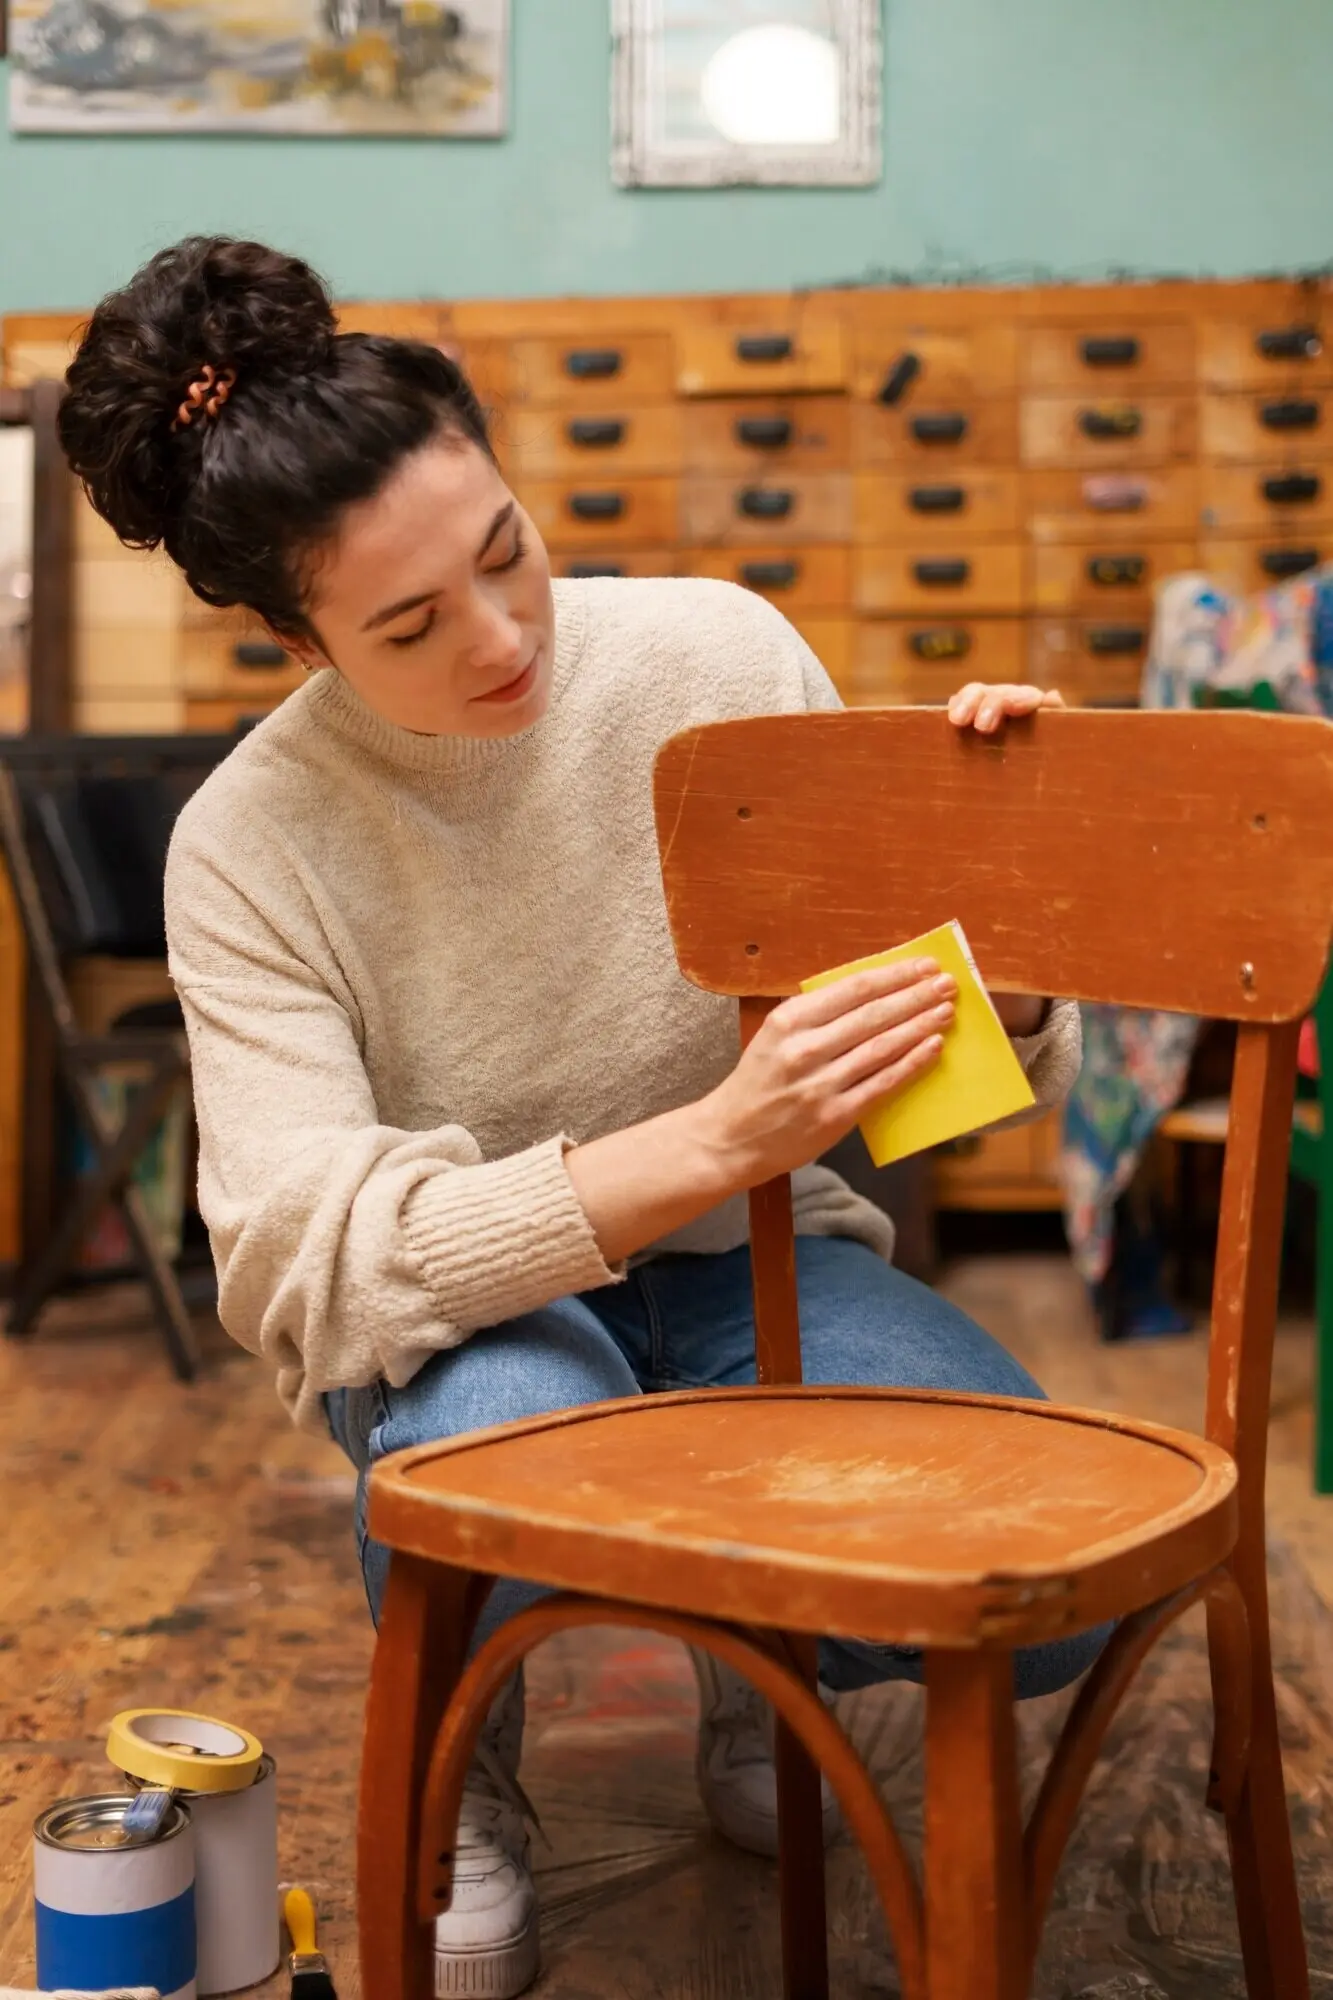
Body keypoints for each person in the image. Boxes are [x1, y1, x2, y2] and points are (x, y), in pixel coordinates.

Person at [59, 237, 1096, 2000]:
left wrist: (997, 929)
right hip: (481, 1313)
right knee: (516, 1487)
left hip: (765, 1263)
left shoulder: (715, 652)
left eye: (506, 550)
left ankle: (748, 1661)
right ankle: (474, 1791)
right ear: (287, 635)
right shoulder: (253, 840)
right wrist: (707, 1140)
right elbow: (309, 1265)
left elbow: (926, 1090)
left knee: (1015, 1559)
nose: (505, 634)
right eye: (409, 625)